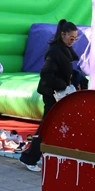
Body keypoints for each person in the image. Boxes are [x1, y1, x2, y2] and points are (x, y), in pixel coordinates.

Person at [20, 20, 80, 172]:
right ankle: (30, 157)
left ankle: (51, 155)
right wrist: (64, 85)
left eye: (75, 38)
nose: (73, 41)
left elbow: (70, 71)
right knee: (46, 128)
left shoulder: (65, 49)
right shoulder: (55, 51)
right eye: (71, 38)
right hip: (52, 95)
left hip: (59, 94)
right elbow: (46, 75)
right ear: (63, 34)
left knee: (56, 126)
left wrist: (78, 81)